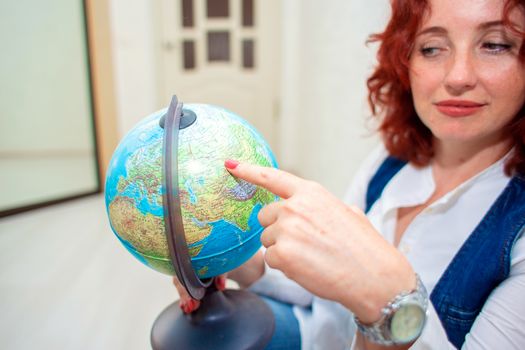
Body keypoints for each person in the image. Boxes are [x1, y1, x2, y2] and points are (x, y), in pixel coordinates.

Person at [175, 0, 525, 348]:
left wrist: (390, 304)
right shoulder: (390, 160)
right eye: (431, 48)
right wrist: (240, 259)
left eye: (495, 45)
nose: (458, 76)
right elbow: (329, 290)